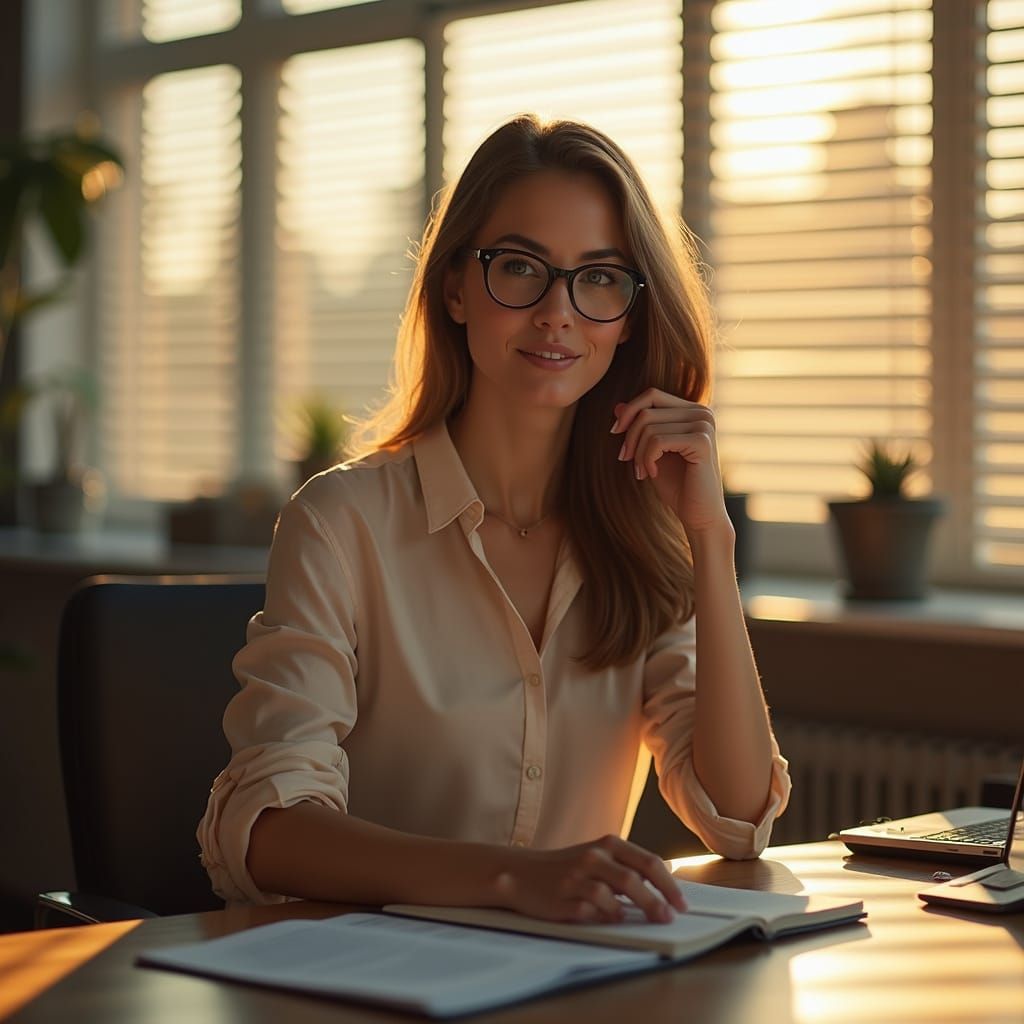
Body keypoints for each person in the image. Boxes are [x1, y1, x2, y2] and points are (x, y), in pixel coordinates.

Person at [197, 114, 791, 926]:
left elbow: (738, 815)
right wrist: (512, 878)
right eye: (520, 268)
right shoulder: (341, 522)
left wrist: (709, 542)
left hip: (572, 986)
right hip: (369, 978)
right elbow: (263, 833)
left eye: (601, 278)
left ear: (628, 315)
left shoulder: (643, 533)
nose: (558, 312)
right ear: (455, 287)